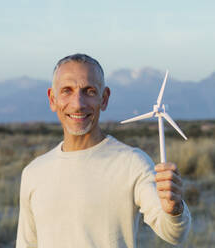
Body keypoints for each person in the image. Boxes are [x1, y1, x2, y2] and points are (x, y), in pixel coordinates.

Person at [16, 54, 191, 248]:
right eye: (67, 91)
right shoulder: (34, 172)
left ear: (104, 98)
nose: (78, 104)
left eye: (89, 91)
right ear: (52, 99)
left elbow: (174, 233)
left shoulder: (133, 163)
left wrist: (174, 210)